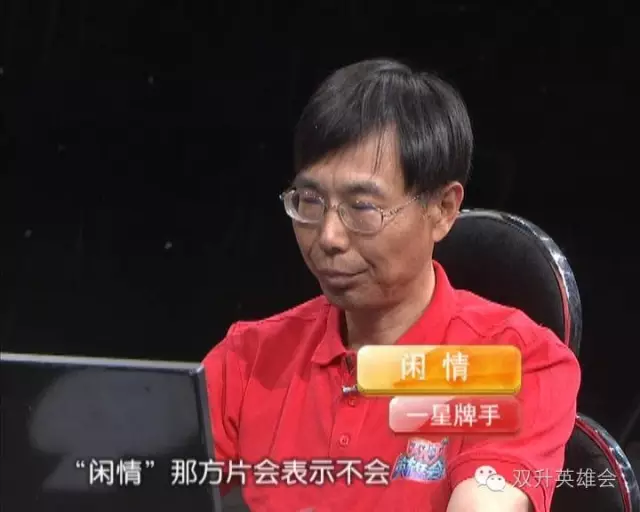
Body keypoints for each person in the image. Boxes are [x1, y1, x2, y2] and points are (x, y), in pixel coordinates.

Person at [203, 58, 580, 511]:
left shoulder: (516, 363)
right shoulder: (249, 358)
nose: (329, 237)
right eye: (310, 201)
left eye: (363, 208)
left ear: (442, 209)